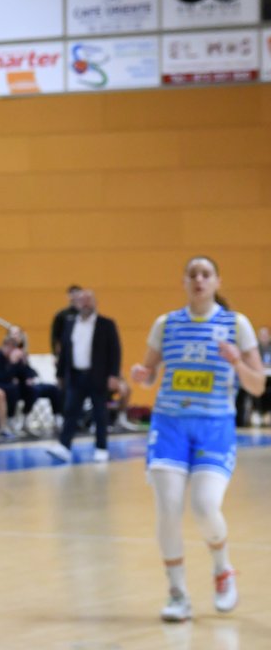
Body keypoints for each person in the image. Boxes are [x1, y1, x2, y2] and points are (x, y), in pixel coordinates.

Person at [130, 256, 264, 622]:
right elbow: (149, 374)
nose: (199, 279)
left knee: (205, 507)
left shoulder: (236, 325)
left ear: (218, 281)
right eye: (193, 274)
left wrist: (237, 362)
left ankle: (222, 568)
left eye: (206, 274)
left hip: (214, 426)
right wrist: (142, 375)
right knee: (168, 510)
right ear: (184, 282)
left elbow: (257, 385)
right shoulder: (166, 323)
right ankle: (177, 594)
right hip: (169, 424)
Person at [47, 289, 122, 463]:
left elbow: (115, 351)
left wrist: (113, 375)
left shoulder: (106, 324)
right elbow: (64, 352)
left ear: (95, 302)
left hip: (98, 376)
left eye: (89, 299)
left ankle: (101, 448)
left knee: (100, 413)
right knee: (70, 411)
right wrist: (60, 374)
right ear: (76, 303)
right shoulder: (70, 323)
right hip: (75, 376)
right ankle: (64, 446)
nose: (85, 303)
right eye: (82, 300)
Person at [50, 284, 81, 356]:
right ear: (68, 296)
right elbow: (55, 336)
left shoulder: (85, 314)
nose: (75, 296)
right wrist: (56, 353)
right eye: (72, 294)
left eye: (77, 293)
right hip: (66, 351)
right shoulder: (61, 315)